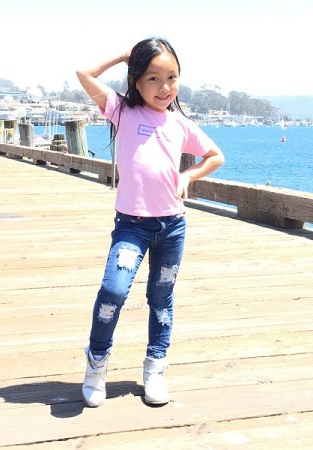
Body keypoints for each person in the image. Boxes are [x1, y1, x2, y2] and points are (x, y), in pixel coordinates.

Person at [76, 37, 225, 408]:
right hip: (132, 225)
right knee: (113, 291)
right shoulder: (122, 112)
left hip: (172, 226)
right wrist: (123, 56)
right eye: (153, 78)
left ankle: (155, 368)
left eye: (171, 77)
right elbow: (84, 74)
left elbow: (215, 156)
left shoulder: (179, 124)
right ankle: (96, 364)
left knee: (161, 300)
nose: (164, 87)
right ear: (136, 81)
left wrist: (188, 176)